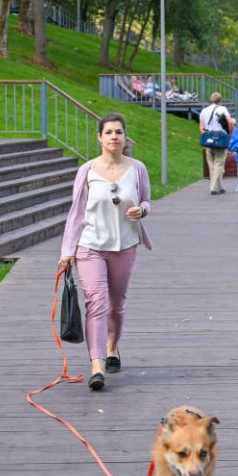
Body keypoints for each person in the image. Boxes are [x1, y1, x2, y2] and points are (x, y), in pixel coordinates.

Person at [58, 113, 153, 391]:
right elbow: (76, 214)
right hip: (90, 247)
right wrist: (67, 251)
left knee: (117, 303)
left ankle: (112, 347)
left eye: (119, 132)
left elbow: (147, 199)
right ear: (99, 137)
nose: (114, 137)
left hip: (124, 246)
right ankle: (96, 365)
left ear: (125, 138)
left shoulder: (137, 169)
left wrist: (143, 210)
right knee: (96, 302)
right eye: (109, 132)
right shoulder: (87, 171)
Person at [197, 93, 231, 195]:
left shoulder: (204, 111)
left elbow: (201, 127)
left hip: (208, 139)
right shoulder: (223, 109)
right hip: (220, 138)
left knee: (211, 164)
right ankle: (213, 187)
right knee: (219, 163)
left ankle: (219, 186)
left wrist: (206, 135)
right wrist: (230, 133)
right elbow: (230, 122)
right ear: (221, 100)